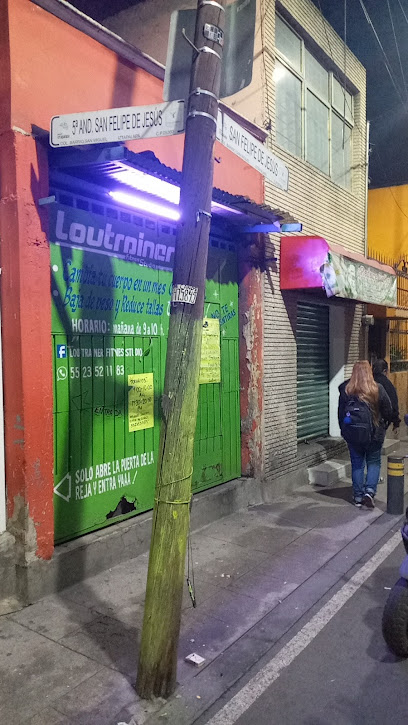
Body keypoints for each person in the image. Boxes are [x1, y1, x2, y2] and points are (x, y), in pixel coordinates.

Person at [338, 360, 392, 508]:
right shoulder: (377, 389)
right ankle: (369, 492)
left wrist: (344, 430)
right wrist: (384, 426)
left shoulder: (346, 390)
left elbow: (341, 413)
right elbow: (388, 410)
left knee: (357, 464)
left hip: (353, 434)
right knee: (373, 462)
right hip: (375, 434)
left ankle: (357, 496)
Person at [372, 359, 400, 431]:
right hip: (381, 420)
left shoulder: (368, 381)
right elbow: (393, 402)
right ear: (385, 371)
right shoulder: (387, 384)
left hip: (367, 420)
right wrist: (396, 422)